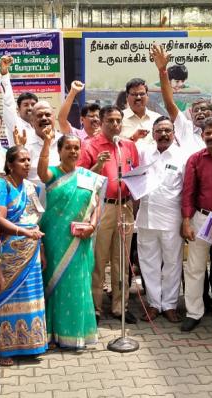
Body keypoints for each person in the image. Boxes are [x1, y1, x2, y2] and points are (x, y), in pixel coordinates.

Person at [37, 129, 105, 349]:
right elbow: (40, 172)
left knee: (78, 284)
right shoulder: (53, 174)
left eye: (77, 147)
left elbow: (95, 204)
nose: (73, 151)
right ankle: (52, 333)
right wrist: (46, 144)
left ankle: (76, 333)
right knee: (56, 285)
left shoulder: (87, 176)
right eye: (68, 147)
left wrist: (93, 225)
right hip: (56, 241)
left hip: (81, 241)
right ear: (59, 150)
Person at [77, 105, 141, 324]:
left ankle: (119, 306)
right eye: (110, 121)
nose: (114, 124)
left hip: (126, 207)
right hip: (103, 208)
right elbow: (82, 179)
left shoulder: (129, 146)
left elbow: (136, 175)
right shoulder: (89, 146)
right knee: (98, 258)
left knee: (121, 259)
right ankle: (94, 306)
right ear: (101, 122)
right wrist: (98, 165)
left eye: (117, 120)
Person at [0, 145, 48, 365]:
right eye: (22, 160)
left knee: (30, 298)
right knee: (7, 298)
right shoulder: (1, 185)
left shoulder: (31, 188)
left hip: (31, 252)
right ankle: (4, 349)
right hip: (9, 252)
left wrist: (41, 249)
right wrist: (22, 231)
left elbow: (36, 221)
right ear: (9, 164)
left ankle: (30, 344)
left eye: (28, 160)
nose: (27, 164)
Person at [180, 116, 212, 334]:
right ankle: (194, 313)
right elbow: (188, 191)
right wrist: (186, 221)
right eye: (207, 133)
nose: (211, 136)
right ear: (202, 136)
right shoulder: (195, 159)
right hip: (201, 219)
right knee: (194, 268)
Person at [135, 116, 188, 323]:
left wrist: (186, 219)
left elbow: (187, 190)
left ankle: (170, 305)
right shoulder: (144, 152)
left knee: (172, 263)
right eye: (159, 131)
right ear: (153, 133)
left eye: (167, 130)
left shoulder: (182, 157)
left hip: (171, 219)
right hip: (146, 218)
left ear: (174, 134)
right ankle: (154, 304)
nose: (163, 134)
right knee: (148, 263)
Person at [152, 44, 212, 155]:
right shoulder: (186, 128)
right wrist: (162, 70)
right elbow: (169, 104)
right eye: (196, 110)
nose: (200, 113)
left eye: (203, 109)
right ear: (191, 114)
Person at [0, 55, 39, 146]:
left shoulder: (41, 127)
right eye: (26, 105)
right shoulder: (15, 124)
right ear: (18, 109)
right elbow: (8, 102)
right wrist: (4, 73)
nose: (30, 108)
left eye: (33, 104)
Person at [120, 78, 161, 143]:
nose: (138, 97)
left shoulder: (157, 119)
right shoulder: (118, 119)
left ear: (147, 96)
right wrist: (133, 138)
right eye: (134, 94)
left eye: (142, 94)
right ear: (127, 97)